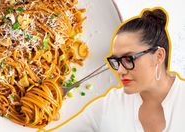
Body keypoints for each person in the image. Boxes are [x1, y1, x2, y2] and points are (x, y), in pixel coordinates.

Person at [54, 7, 185, 132]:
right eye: (116, 61)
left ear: (159, 56)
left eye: (129, 59)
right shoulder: (110, 105)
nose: (120, 71)